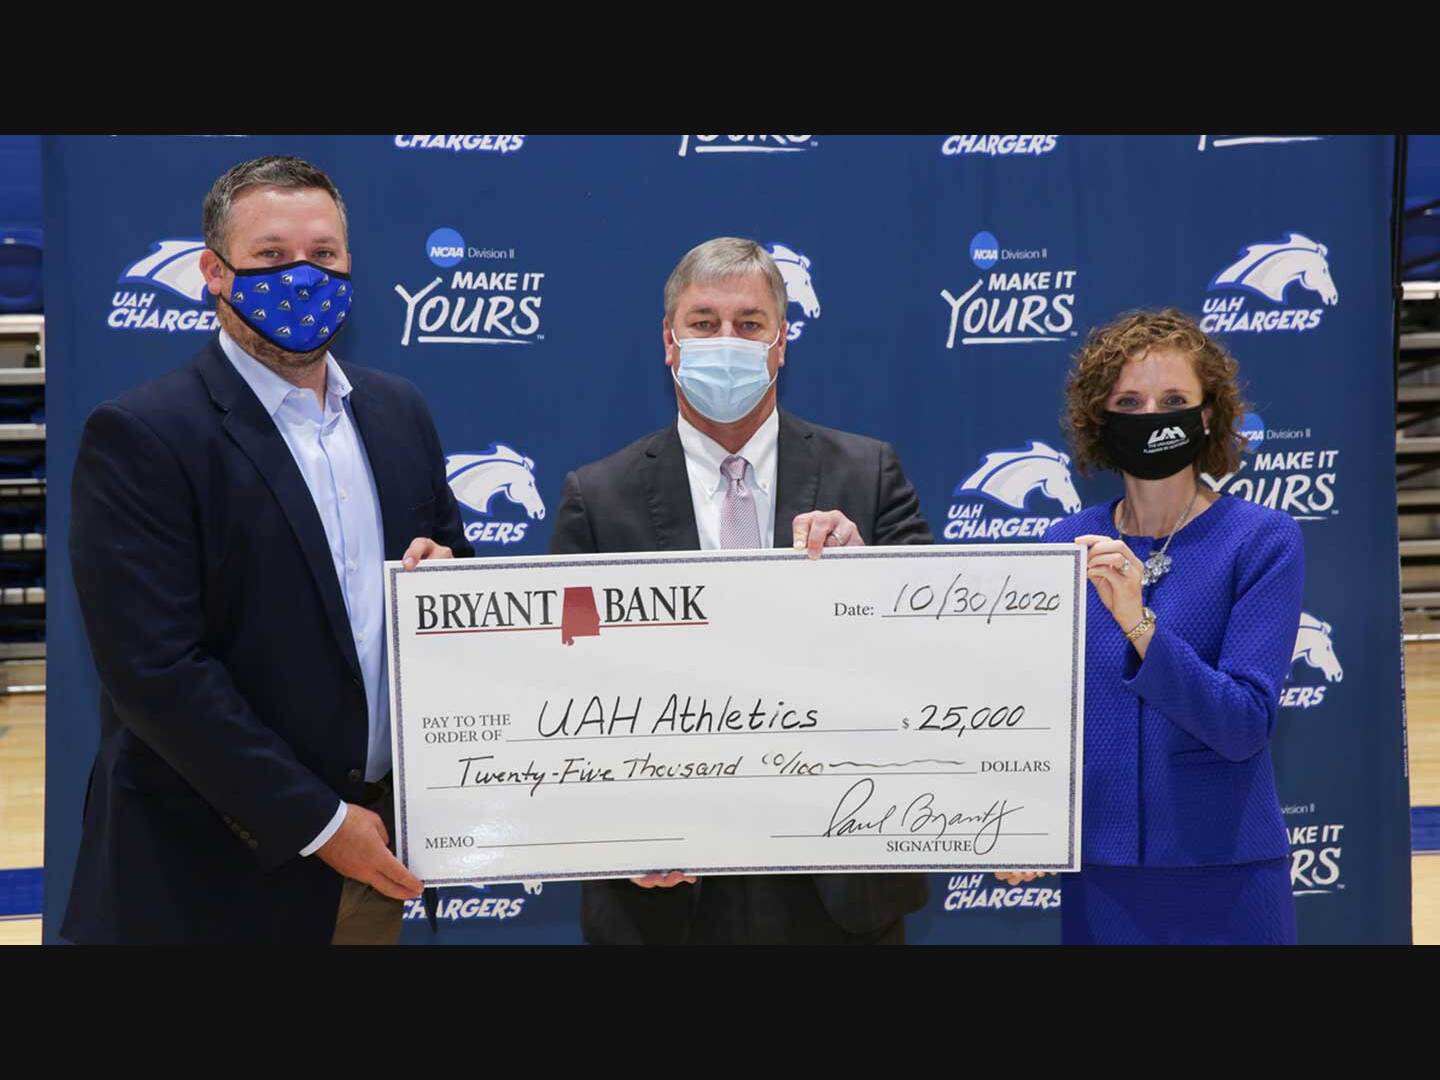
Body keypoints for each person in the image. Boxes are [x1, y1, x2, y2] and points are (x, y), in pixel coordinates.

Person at [63, 155, 471, 944]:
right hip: (203, 878)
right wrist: (319, 822)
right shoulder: (143, 436)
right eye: (272, 257)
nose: (303, 277)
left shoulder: (399, 412)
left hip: (370, 869)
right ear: (215, 272)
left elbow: (451, 569)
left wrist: (448, 586)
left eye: (323, 255)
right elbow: (155, 672)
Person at [549, 237, 932, 944]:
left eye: (750, 324)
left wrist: (869, 576)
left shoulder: (869, 476)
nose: (727, 340)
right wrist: (614, 830)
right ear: (670, 343)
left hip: (837, 884)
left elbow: (937, 652)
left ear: (782, 343)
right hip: (666, 893)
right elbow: (563, 688)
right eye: (704, 323)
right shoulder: (597, 497)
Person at [999, 309, 1302, 945]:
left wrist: (1140, 622)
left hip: (1228, 871)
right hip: (1102, 877)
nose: (1153, 416)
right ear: (1102, 421)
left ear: (1208, 415)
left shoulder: (1262, 541)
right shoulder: (1063, 542)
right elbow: (1033, 711)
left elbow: (1244, 724)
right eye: (1130, 401)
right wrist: (1019, 818)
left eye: (1173, 400)